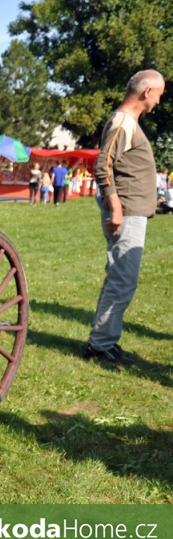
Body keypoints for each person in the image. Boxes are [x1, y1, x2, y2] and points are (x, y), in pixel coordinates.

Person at [85, 69, 164, 365]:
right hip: (126, 211)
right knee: (122, 280)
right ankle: (100, 345)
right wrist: (116, 209)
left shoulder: (128, 122)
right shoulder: (123, 122)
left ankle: (104, 341)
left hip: (131, 210)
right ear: (147, 92)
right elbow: (103, 166)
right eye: (159, 94)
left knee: (119, 279)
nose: (158, 101)